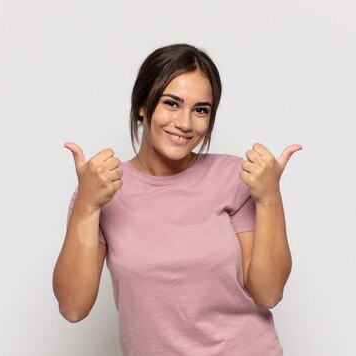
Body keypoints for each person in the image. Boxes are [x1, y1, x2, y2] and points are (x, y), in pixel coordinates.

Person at [52, 43, 302, 355]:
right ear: (143, 104)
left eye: (200, 110)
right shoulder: (103, 189)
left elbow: (268, 293)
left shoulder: (235, 178)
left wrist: (269, 198)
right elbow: (72, 308)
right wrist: (87, 205)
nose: (185, 123)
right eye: (172, 104)